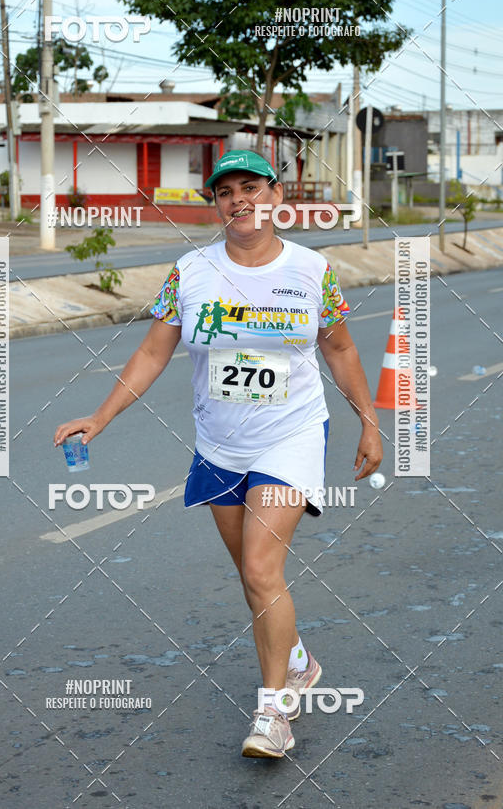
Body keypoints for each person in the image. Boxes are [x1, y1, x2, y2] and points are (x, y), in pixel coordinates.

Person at [54, 149, 383, 760]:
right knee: (253, 577)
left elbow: (340, 350)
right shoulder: (190, 271)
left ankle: (275, 713)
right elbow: (152, 352)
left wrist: (369, 422)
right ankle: (299, 661)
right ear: (217, 205)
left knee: (260, 569)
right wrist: (100, 416)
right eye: (226, 191)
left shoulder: (311, 270)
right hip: (219, 444)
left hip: (291, 435)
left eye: (251, 187)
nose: (239, 200)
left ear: (276, 196)